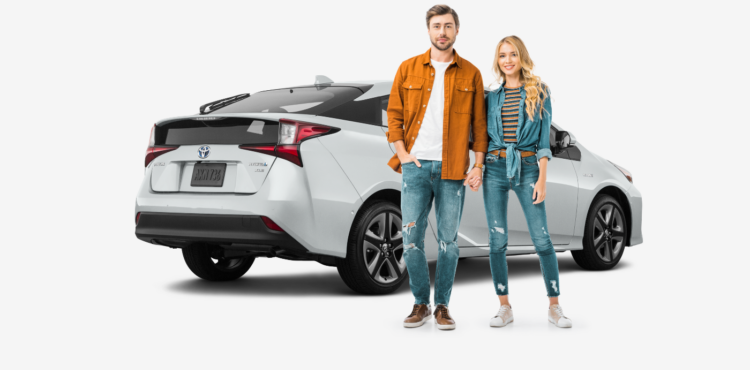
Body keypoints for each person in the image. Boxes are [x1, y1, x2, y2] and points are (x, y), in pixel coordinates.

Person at [385, 4, 488, 330]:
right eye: (436, 26)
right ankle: (420, 303)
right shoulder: (408, 68)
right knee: (411, 239)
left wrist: (478, 165)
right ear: (428, 31)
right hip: (415, 167)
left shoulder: (471, 73)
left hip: (453, 169)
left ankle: (442, 305)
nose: (442, 32)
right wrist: (402, 153)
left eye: (447, 26)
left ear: (456, 31)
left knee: (448, 241)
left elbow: (479, 125)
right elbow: (394, 115)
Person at [468, 35, 572, 328]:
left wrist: (542, 178)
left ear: (521, 57)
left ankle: (555, 307)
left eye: (513, 54)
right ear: (497, 61)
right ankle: (504, 307)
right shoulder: (492, 97)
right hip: (495, 168)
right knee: (497, 240)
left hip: (527, 168)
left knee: (542, 239)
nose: (508, 60)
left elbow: (543, 143)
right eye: (502, 55)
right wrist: (477, 168)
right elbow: (483, 138)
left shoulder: (539, 91)